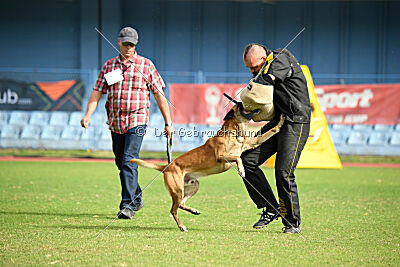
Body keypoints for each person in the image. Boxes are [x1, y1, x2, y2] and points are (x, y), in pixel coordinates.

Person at [80, 27, 174, 219]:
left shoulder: (146, 66)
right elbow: (97, 91)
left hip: (137, 119)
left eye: (132, 45)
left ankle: (127, 206)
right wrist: (88, 114)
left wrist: (168, 122)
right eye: (126, 44)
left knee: (128, 159)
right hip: (115, 122)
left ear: (136, 45)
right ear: (119, 42)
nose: (129, 48)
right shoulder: (109, 67)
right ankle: (136, 196)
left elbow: (159, 95)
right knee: (120, 161)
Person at [240, 43, 312, 233]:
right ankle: (270, 208)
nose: (252, 71)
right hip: (279, 122)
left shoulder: (281, 57)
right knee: (246, 160)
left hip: (296, 122)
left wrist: (249, 93)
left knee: (283, 172)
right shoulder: (263, 69)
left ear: (263, 59)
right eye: (249, 68)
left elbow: (268, 79)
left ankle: (291, 222)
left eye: (254, 67)